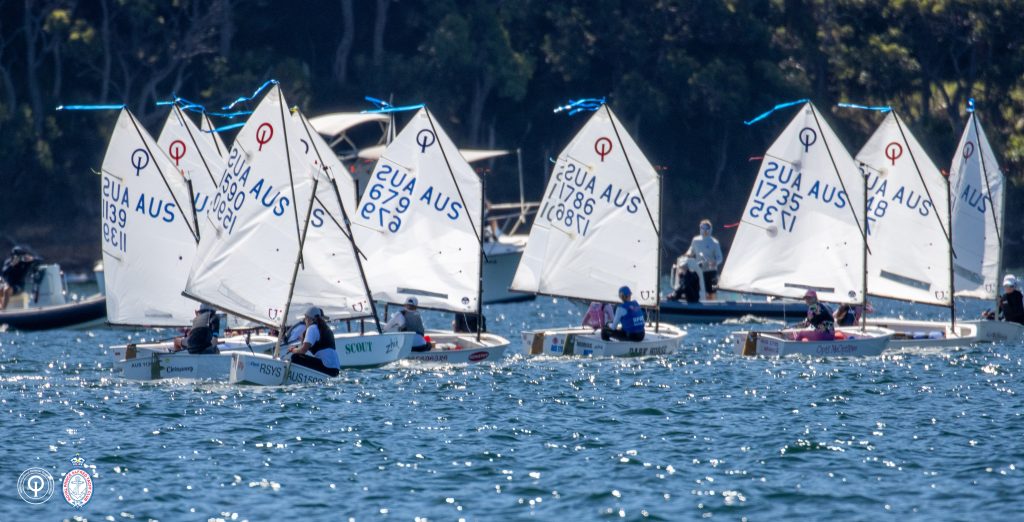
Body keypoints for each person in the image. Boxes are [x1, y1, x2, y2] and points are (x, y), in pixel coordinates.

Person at [287, 306, 340, 377]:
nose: (305, 321)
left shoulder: (312, 328)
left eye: (305, 319)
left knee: (295, 357)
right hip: (335, 370)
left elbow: (303, 351)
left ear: (309, 319)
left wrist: (293, 349)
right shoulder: (326, 329)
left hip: (327, 368)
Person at [684, 219, 723, 300]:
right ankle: (700, 306)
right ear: (700, 228)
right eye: (703, 228)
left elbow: (720, 258)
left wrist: (715, 263)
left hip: (712, 272)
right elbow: (691, 250)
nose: (705, 230)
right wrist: (687, 254)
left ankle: (712, 307)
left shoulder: (715, 242)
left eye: (707, 228)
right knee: (699, 290)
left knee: (712, 291)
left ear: (710, 229)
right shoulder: (695, 240)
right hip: (699, 270)